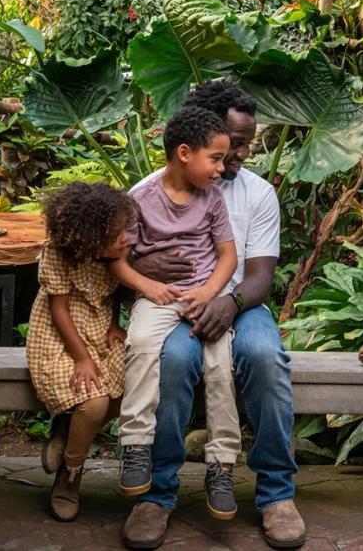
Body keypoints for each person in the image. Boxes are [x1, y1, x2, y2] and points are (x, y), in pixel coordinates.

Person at [123, 80, 305, 550]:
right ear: (199, 140)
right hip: (177, 304)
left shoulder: (258, 193)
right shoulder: (145, 193)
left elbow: (261, 275)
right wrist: (145, 267)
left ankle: (276, 496)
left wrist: (228, 303)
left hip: (241, 304)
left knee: (265, 357)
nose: (240, 154)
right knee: (175, 361)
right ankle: (155, 496)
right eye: (232, 143)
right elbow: (117, 258)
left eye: (243, 144)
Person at [111, 105, 241, 521]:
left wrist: (207, 293)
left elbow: (228, 256)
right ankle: (135, 445)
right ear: (184, 153)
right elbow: (118, 260)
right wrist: (147, 286)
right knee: (144, 343)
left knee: (221, 364)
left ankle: (221, 464)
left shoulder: (212, 199)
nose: (222, 168)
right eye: (216, 158)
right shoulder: (140, 199)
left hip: (202, 296)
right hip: (158, 296)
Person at [26, 182, 134, 522]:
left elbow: (114, 292)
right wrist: (83, 359)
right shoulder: (60, 252)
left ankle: (65, 430)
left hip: (99, 325)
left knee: (127, 390)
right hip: (60, 334)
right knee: (94, 399)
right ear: (91, 237)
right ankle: (70, 477)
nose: (126, 239)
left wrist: (115, 325)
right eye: (117, 234)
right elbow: (59, 310)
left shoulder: (119, 252)